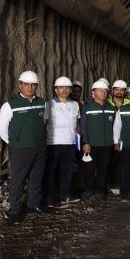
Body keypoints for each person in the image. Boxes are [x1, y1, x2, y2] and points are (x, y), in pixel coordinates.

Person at [0, 71, 47, 225]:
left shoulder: (42, 103)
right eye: (26, 84)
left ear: (37, 86)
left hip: (40, 147)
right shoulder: (10, 105)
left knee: (36, 178)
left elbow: (44, 121)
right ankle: (15, 212)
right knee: (18, 180)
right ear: (20, 85)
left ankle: (33, 205)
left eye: (33, 84)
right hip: (21, 149)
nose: (30, 87)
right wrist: (14, 142)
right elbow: (1, 127)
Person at [42, 77, 81, 207]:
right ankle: (49, 198)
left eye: (67, 88)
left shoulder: (75, 105)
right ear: (56, 89)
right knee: (51, 172)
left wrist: (78, 139)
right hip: (53, 143)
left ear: (70, 90)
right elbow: (44, 123)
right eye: (61, 88)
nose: (64, 90)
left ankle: (64, 196)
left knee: (67, 171)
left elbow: (77, 123)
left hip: (70, 143)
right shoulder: (49, 105)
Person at [80, 80, 115, 200]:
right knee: (89, 168)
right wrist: (85, 142)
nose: (103, 93)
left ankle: (99, 190)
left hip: (107, 144)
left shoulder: (111, 108)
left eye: (105, 91)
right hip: (91, 144)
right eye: (100, 90)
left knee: (103, 168)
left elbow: (115, 126)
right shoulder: (87, 107)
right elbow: (83, 126)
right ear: (93, 93)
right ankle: (88, 190)